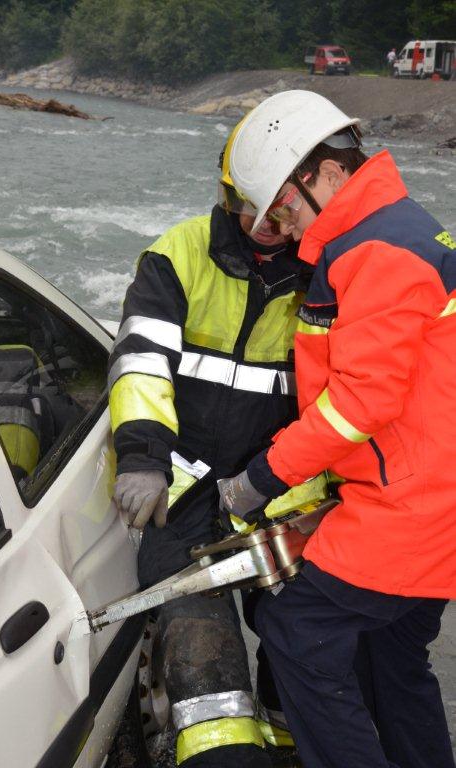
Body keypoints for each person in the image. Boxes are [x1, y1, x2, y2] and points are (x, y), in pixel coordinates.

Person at [219, 89, 456, 768]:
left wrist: (260, 479)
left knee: (296, 630)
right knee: (391, 660)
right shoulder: (395, 231)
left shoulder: (377, 250)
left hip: (410, 508)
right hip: (429, 496)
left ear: (325, 173)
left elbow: (360, 402)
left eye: (285, 209)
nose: (285, 228)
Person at [108, 121, 315, 767]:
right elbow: (142, 362)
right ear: (226, 192)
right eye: (245, 203)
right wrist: (142, 457)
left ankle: (293, 745)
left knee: (304, 638)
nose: (261, 224)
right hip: (186, 486)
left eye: (276, 209)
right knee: (201, 649)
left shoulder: (326, 269)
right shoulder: (178, 253)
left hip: (283, 486)